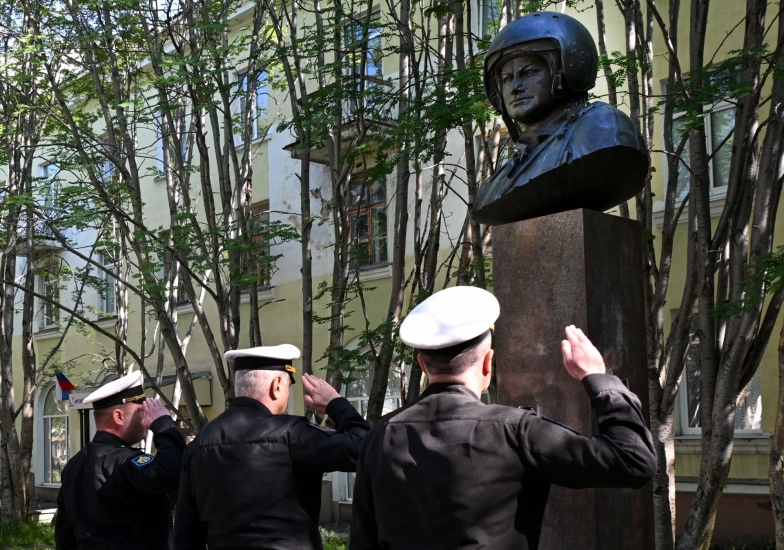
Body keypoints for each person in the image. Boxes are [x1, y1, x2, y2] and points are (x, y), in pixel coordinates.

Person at [349, 286, 657, 550]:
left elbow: (364, 540)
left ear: (423, 364)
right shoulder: (516, 432)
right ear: (487, 362)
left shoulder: (380, 436)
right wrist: (598, 378)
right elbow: (633, 461)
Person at [174, 344, 371, 550]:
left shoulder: (199, 444)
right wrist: (336, 404)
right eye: (288, 386)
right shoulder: (292, 435)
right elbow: (365, 448)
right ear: (277, 385)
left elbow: (186, 535)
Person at [471, 12, 648, 225]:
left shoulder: (603, 128)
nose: (515, 88)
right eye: (507, 78)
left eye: (529, 72)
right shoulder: (502, 178)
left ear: (563, 74)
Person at [55, 370, 185, 550]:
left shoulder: (74, 465)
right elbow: (170, 473)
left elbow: (64, 535)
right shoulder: (126, 462)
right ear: (118, 416)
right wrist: (164, 424)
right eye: (141, 412)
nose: (145, 419)